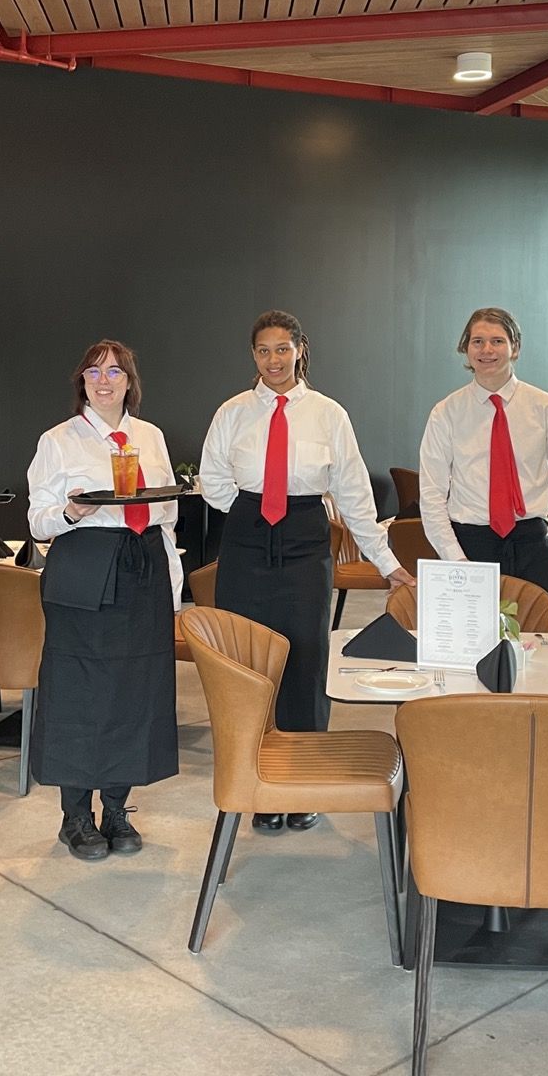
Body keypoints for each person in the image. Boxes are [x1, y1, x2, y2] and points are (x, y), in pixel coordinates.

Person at [199, 310, 412, 834]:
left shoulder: (328, 415)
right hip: (247, 536)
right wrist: (253, 512)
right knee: (248, 661)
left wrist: (389, 565)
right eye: (263, 350)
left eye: (282, 349)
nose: (273, 360)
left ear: (300, 350)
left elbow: (356, 496)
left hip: (303, 536)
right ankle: (260, 785)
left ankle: (305, 783)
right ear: (254, 356)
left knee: (305, 655)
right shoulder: (232, 411)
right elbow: (213, 479)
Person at [26, 340, 182, 861]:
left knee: (134, 688)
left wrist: (174, 585)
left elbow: (165, 514)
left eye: (115, 371)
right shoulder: (58, 440)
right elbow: (37, 520)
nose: (104, 379)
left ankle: (116, 808)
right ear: (82, 382)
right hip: (84, 567)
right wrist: (71, 513)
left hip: (143, 566)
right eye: (94, 371)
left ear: (130, 381)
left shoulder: (151, 436)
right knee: (78, 690)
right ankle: (75, 816)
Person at [419, 307, 548, 621]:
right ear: (466, 349)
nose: (486, 350)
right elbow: (432, 496)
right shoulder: (446, 413)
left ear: (515, 347)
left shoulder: (545, 407)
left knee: (543, 640)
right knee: (470, 649)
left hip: (531, 545)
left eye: (497, 341)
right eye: (477, 341)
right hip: (470, 546)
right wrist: (456, 560)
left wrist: (531, 504)